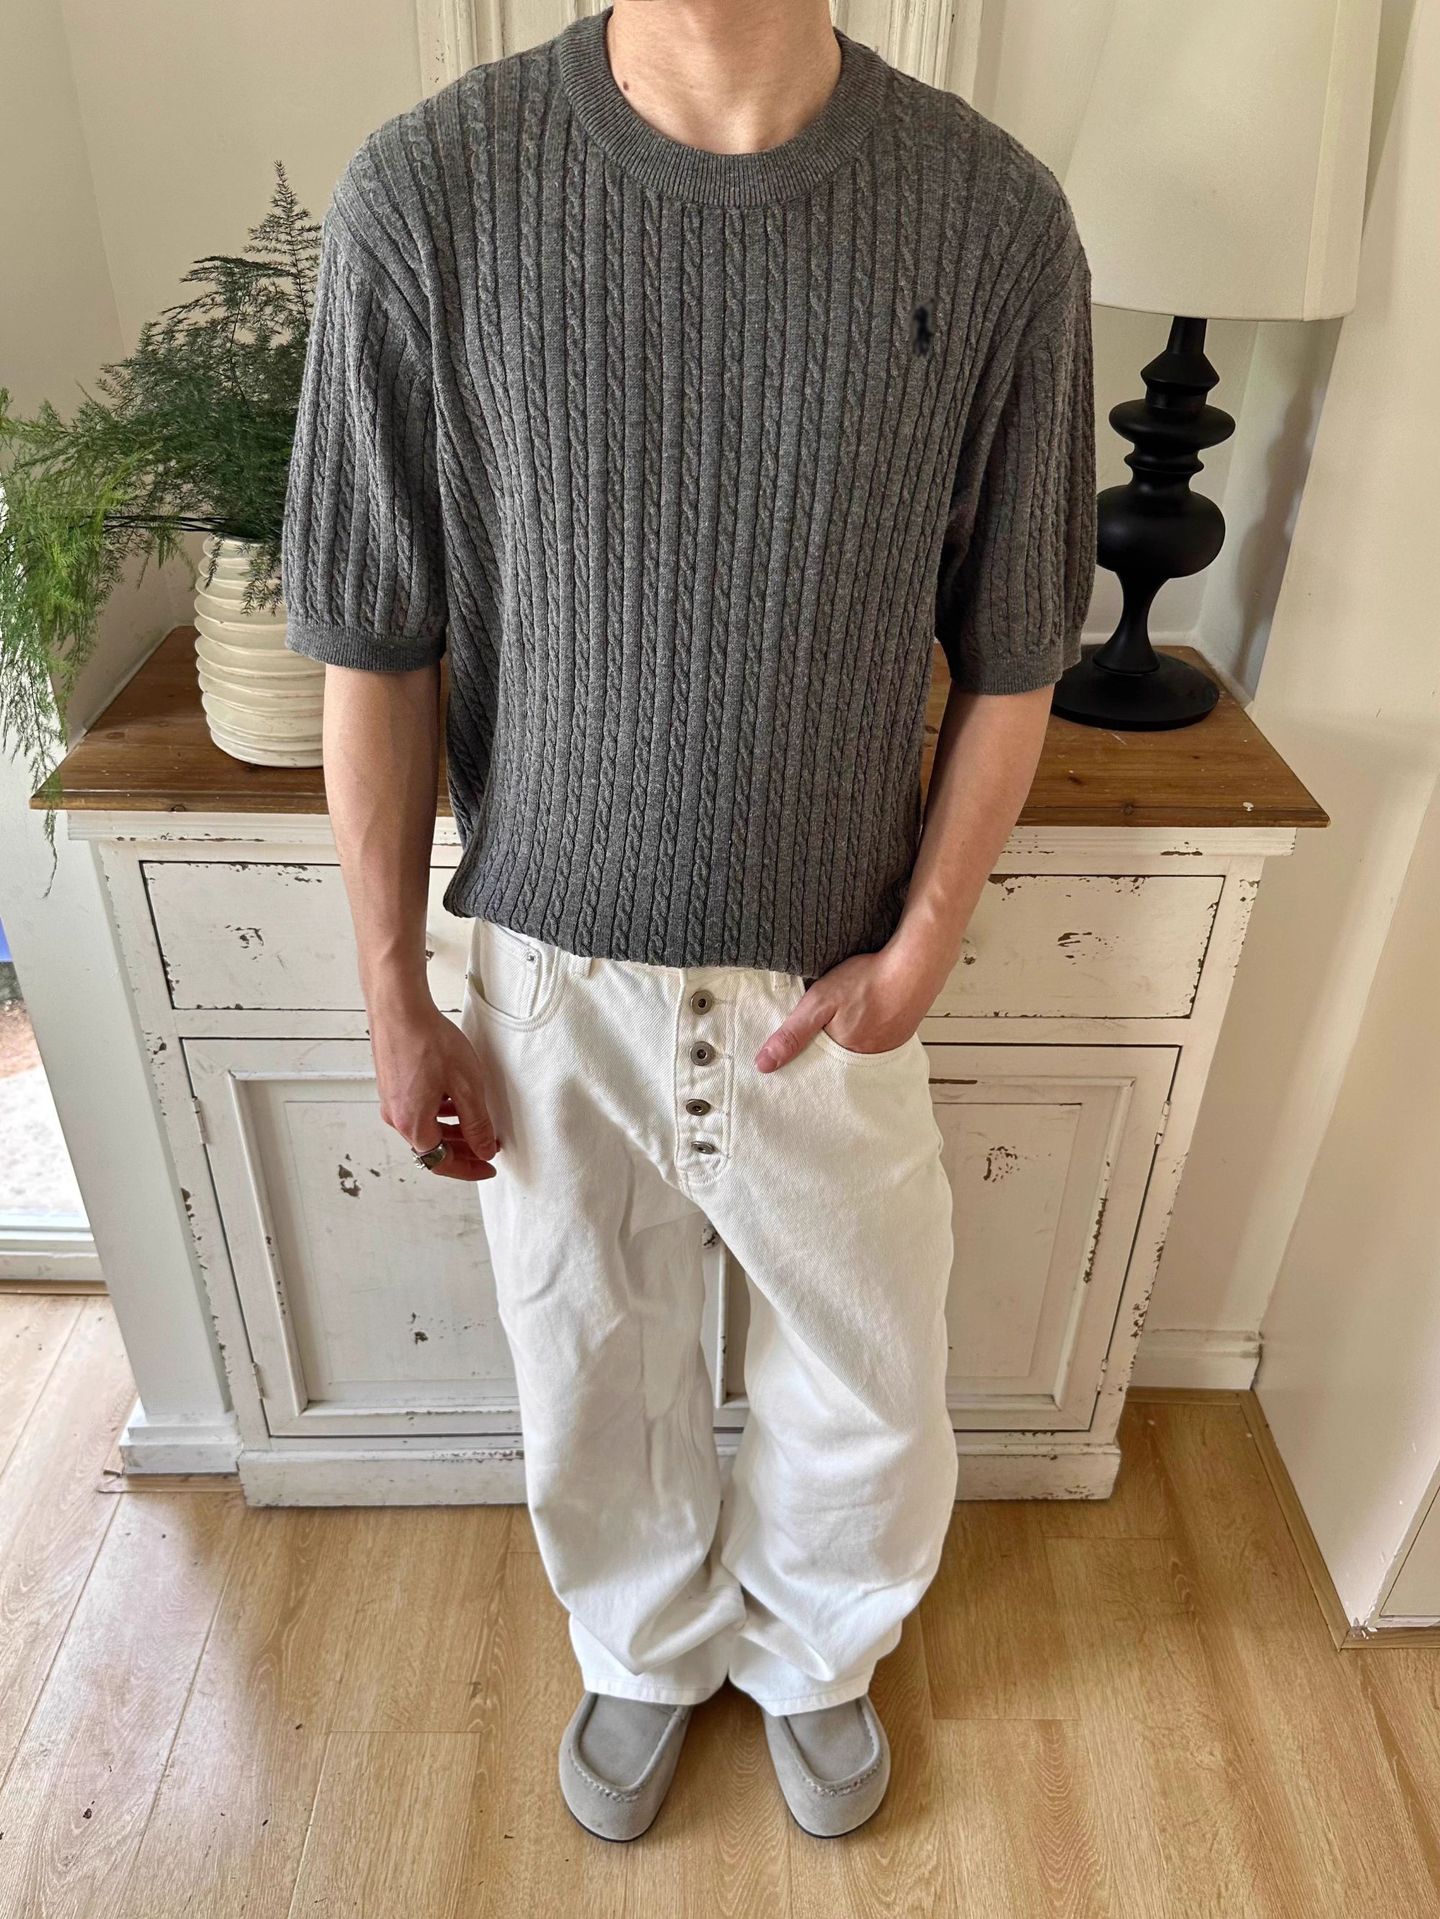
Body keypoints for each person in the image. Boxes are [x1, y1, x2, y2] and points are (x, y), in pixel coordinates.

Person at [281, 0, 1094, 1844]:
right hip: (548, 977)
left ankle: (815, 1650)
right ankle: (642, 1644)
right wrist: (395, 988)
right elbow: (374, 636)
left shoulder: (991, 218)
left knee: (870, 1377)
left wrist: (925, 945)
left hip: (833, 980)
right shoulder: (431, 194)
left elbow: (1019, 644)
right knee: (591, 1360)